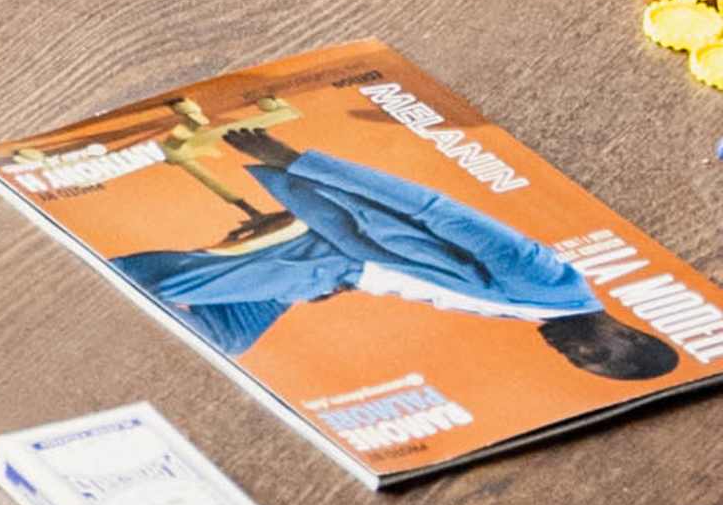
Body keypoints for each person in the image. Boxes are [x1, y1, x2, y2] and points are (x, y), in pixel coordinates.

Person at [115, 125, 682, 382]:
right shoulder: (545, 279)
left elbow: (424, 276)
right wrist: (296, 160)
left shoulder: (541, 308)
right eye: (597, 356)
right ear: (627, 335)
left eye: (580, 366)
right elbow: (436, 210)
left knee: (228, 338)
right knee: (147, 291)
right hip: (332, 252)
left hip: (336, 276)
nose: (577, 356)